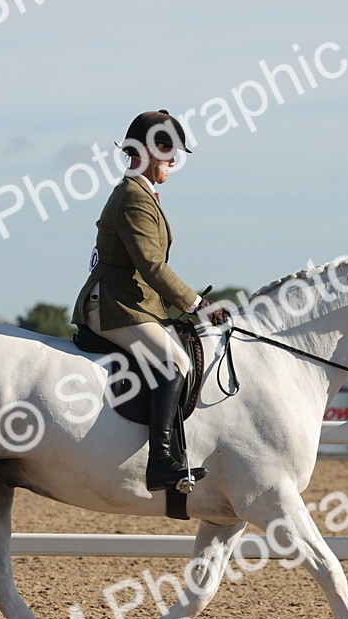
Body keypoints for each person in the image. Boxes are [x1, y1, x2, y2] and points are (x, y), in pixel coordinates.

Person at [72, 109, 226, 491]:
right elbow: (152, 266)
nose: (174, 160)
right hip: (114, 305)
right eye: (168, 150)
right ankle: (161, 462)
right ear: (146, 150)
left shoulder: (142, 194)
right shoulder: (133, 197)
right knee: (174, 363)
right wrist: (196, 305)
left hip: (134, 303)